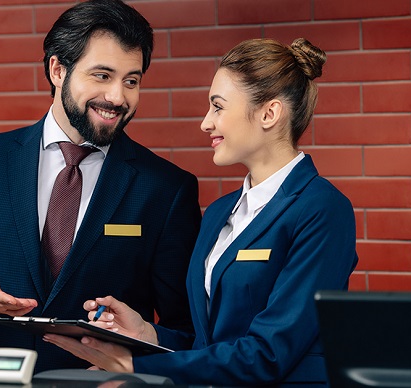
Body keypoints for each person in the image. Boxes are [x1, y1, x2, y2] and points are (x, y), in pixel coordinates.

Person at [44, 38, 359, 386]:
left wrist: (136, 366)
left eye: (218, 107)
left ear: (269, 114)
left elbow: (269, 354)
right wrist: (147, 335)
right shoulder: (220, 213)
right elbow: (206, 345)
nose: (206, 123)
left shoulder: (322, 210)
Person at [0, 0, 201, 374]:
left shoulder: (166, 188)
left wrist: (141, 352)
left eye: (132, 80)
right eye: (102, 75)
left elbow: (186, 331)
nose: (118, 97)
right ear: (58, 69)